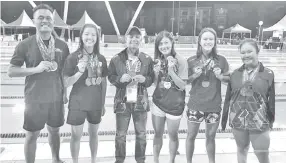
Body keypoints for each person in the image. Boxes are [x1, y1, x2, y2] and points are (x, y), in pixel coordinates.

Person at [7, 4, 69, 163]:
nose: (45, 21)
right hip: (34, 98)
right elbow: (12, 71)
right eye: (40, 17)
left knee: (55, 131)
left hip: (56, 98)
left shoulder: (62, 45)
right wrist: (36, 69)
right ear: (34, 20)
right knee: (32, 134)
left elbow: (63, 71)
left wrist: (65, 93)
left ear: (53, 22)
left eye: (48, 18)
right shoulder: (25, 44)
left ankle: (56, 159)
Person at [221, 39, 275, 163]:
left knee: (262, 154)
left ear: (257, 51)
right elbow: (228, 99)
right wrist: (225, 120)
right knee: (241, 150)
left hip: (260, 121)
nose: (246, 55)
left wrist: (271, 121)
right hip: (238, 120)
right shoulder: (234, 74)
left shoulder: (268, 74)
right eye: (243, 52)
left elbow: (271, 101)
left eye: (249, 51)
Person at [108, 26, 154, 163]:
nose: (134, 39)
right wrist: (119, 80)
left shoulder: (147, 59)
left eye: (137, 37)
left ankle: (140, 160)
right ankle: (119, 160)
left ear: (141, 40)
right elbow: (110, 76)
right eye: (131, 36)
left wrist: (145, 80)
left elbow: (151, 78)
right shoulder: (116, 59)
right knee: (121, 135)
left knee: (141, 134)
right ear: (125, 39)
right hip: (123, 101)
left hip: (140, 101)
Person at [63, 23, 108, 163]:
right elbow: (65, 83)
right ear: (81, 37)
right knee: (76, 136)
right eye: (87, 34)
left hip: (95, 103)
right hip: (77, 103)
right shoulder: (72, 58)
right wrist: (79, 72)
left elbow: (104, 83)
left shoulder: (101, 59)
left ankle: (94, 160)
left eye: (93, 34)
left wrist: (102, 103)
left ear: (97, 38)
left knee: (94, 134)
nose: (90, 37)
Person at [186, 27, 230, 163]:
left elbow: (229, 81)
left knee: (211, 137)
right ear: (199, 41)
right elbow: (185, 81)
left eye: (211, 39)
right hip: (195, 104)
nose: (208, 41)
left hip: (214, 105)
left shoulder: (221, 60)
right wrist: (195, 75)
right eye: (205, 39)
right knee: (191, 135)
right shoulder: (191, 60)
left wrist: (220, 76)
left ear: (215, 42)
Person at [151, 31, 188, 163]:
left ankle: (171, 160)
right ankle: (156, 160)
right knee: (157, 134)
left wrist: (171, 71)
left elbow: (182, 86)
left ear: (172, 43)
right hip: (158, 103)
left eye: (166, 42)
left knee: (173, 135)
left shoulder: (181, 60)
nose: (164, 46)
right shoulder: (158, 60)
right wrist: (155, 73)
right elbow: (156, 83)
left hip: (174, 105)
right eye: (160, 44)